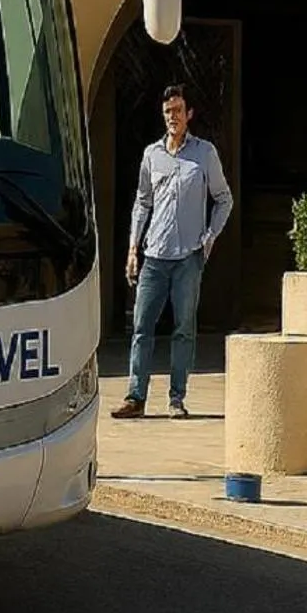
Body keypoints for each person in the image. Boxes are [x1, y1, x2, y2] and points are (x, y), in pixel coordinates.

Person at [114, 84, 233, 420]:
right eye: (168, 111)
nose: (173, 117)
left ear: (189, 114)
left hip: (188, 258)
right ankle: (135, 397)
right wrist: (133, 247)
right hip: (154, 255)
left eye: (178, 111)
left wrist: (210, 237)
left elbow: (224, 198)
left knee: (183, 329)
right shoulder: (152, 155)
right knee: (141, 328)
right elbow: (142, 201)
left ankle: (176, 398)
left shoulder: (204, 153)